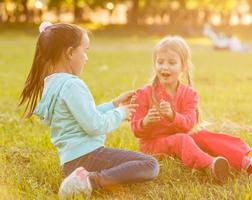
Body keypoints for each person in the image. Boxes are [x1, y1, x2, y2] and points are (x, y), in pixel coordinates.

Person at [19, 22, 159, 199]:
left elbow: (84, 115)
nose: (86, 58)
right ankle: (90, 181)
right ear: (69, 53)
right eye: (84, 50)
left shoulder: (53, 84)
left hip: (70, 162)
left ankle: (79, 177)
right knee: (149, 164)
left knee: (138, 163)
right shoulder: (71, 85)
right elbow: (94, 125)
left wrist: (113, 104)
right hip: (88, 157)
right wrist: (121, 113)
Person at [131, 35, 252, 184]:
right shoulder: (145, 93)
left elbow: (189, 124)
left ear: (183, 67)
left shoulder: (189, 94)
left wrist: (173, 116)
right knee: (182, 139)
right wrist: (145, 122)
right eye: (160, 62)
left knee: (202, 136)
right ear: (155, 64)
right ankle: (210, 166)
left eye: (171, 62)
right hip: (154, 145)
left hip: (180, 137)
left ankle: (248, 164)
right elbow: (136, 130)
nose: (164, 67)